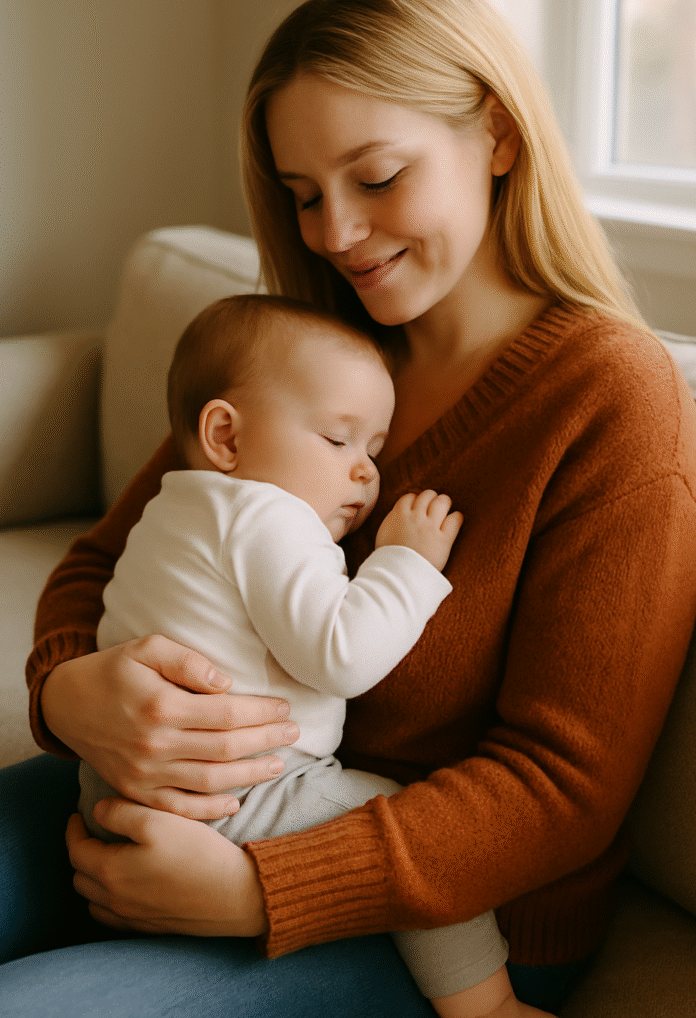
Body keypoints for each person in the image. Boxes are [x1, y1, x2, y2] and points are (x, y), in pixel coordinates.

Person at [0, 0, 696, 1017]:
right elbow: (107, 557)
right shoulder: (314, 351)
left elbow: (563, 787)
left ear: (497, 135)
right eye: (302, 194)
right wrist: (70, 691)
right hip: (175, 795)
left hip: (444, 922)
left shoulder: (611, 401)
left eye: (376, 178)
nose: (334, 235)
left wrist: (259, 890)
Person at [78, 291, 540, 1017]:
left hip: (117, 783)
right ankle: (487, 1006)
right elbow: (342, 655)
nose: (364, 473)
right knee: (390, 812)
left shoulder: (176, 504)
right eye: (337, 440)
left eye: (374, 450)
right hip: (235, 797)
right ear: (224, 436)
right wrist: (406, 565)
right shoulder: (269, 514)